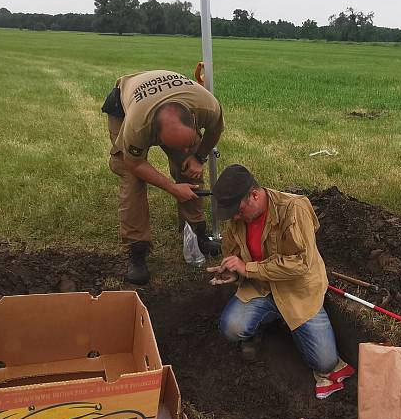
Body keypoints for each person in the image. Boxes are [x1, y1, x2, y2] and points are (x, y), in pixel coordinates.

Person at [207, 164, 354, 399]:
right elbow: (235, 255)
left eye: (237, 210)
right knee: (231, 328)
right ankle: (266, 324)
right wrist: (235, 273)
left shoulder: (293, 209)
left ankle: (289, 321)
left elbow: (298, 264)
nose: (234, 217)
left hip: (297, 292)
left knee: (325, 364)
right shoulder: (238, 218)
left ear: (254, 195)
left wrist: (248, 268)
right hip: (261, 288)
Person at [101, 69, 224, 284]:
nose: (184, 148)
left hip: (168, 98)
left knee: (189, 168)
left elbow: (215, 131)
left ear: (194, 121)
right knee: (133, 179)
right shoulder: (137, 125)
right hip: (125, 103)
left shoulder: (208, 106)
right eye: (173, 144)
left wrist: (198, 156)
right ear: (156, 137)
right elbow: (135, 163)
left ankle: (197, 232)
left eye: (188, 140)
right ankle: (136, 251)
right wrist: (172, 187)